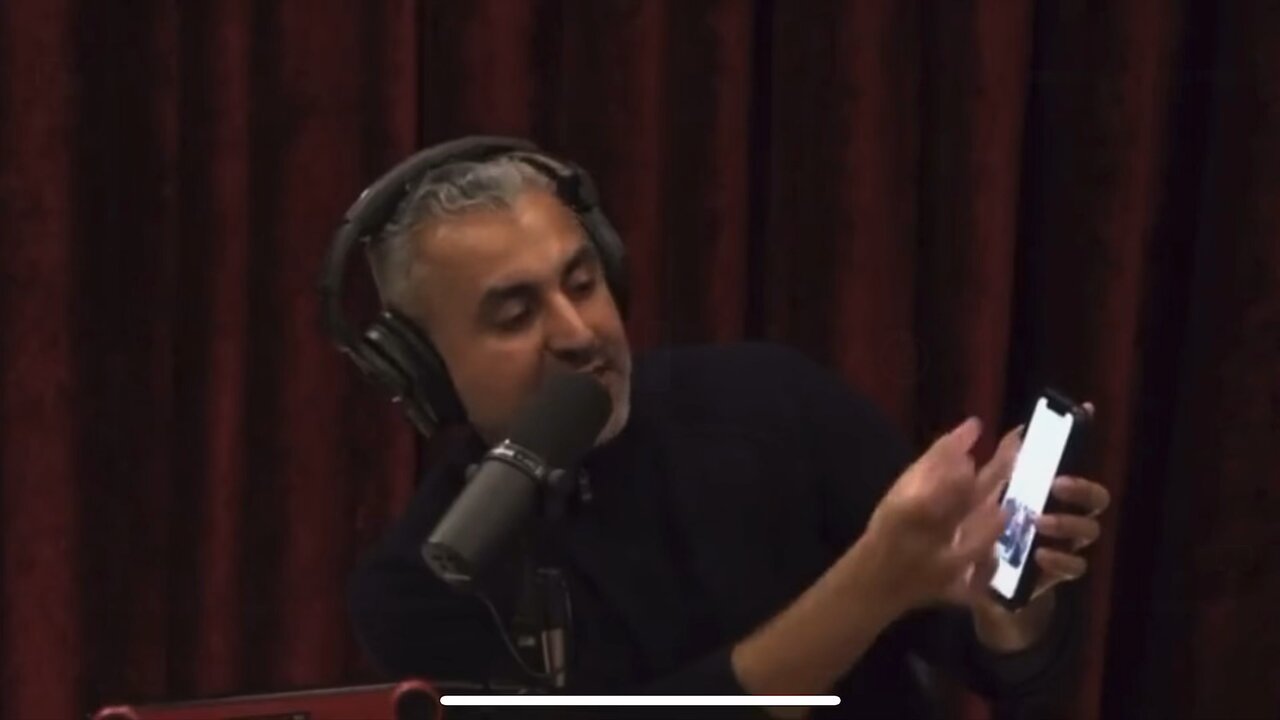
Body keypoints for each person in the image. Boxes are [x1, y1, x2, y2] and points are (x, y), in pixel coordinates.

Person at [340, 141, 1112, 719]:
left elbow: (1005, 668)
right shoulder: (422, 584)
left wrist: (1007, 602)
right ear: (427, 368)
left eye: (583, 281)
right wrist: (873, 583)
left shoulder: (771, 401)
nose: (579, 332)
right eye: (515, 315)